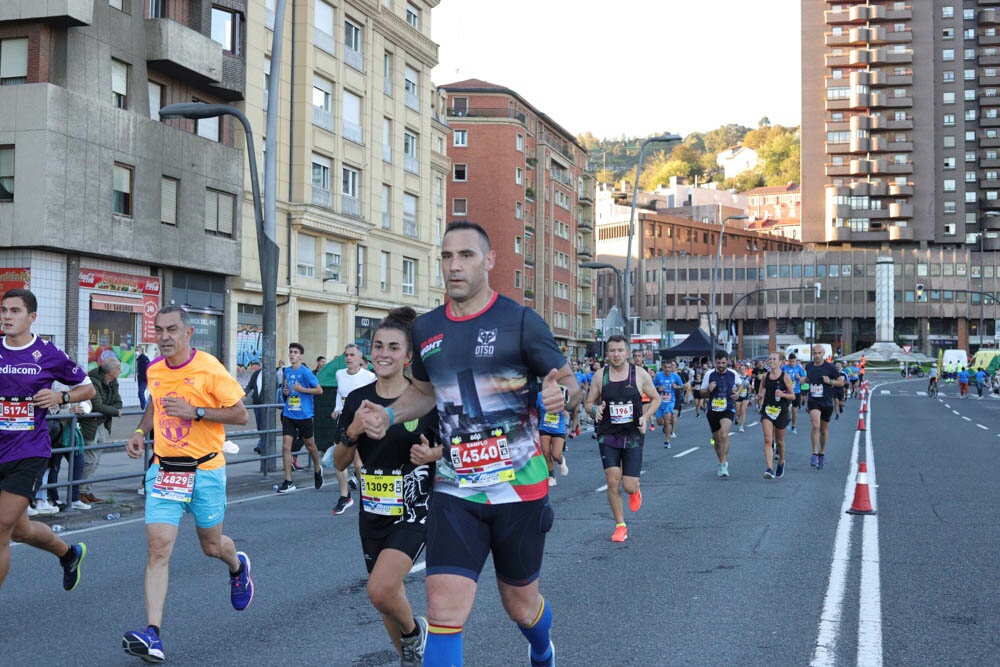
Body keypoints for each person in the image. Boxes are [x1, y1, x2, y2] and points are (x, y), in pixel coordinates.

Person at [357, 222, 580, 667]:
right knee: (442, 609)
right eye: (446, 257)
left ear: (489, 261)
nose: (454, 266)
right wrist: (387, 413)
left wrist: (562, 395)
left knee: (519, 604)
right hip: (456, 489)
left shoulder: (519, 321)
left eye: (466, 256)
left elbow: (571, 384)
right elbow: (423, 392)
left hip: (520, 488)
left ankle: (541, 647)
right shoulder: (426, 328)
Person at [122, 306, 253, 663]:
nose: (164, 336)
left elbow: (240, 414)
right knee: (158, 549)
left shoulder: (209, 368)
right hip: (165, 471)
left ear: (188, 332)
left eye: (172, 329)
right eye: (159, 329)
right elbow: (155, 403)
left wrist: (195, 412)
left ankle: (237, 567)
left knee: (212, 546)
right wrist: (139, 431)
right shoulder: (154, 369)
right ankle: (153, 635)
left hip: (206, 471)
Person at [334, 308, 440, 667]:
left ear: (408, 357)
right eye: (378, 345)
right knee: (385, 597)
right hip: (373, 511)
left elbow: (455, 445)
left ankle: (414, 632)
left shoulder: (424, 400)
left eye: (394, 347)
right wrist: (354, 431)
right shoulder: (357, 400)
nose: (383, 353)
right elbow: (339, 462)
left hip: (413, 510)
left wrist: (433, 453)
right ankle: (412, 658)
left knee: (379, 589)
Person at [0, 288, 93, 591]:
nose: (7, 316)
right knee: (20, 530)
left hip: (29, 451)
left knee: (1, 528)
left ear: (32, 317)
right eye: (3, 310)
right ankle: (68, 554)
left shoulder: (48, 353)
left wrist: (61, 395)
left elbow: (87, 388)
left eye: (15, 311)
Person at [585, 334, 659, 542]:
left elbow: (656, 398)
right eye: (612, 351)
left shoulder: (640, 374)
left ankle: (634, 490)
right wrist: (594, 409)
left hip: (632, 434)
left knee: (628, 485)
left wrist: (645, 417)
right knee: (612, 479)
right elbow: (588, 402)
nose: (616, 355)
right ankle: (620, 525)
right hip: (607, 433)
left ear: (627, 353)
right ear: (606, 353)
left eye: (620, 351)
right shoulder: (600, 376)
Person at [331, 343, 376, 514]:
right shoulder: (339, 374)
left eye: (352, 355)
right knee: (339, 461)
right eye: (346, 355)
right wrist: (336, 409)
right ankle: (345, 496)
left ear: (360, 358)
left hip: (362, 424)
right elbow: (339, 393)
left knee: (358, 464)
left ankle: (368, 497)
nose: (348, 358)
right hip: (344, 422)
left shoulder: (369, 377)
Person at [275, 343, 325, 493]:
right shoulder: (287, 371)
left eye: (295, 352)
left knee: (310, 445)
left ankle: (317, 468)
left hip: (304, 415)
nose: (292, 355)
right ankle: (288, 481)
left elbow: (319, 390)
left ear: (301, 356)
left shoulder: (306, 372)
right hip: (289, 413)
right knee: (285, 446)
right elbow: (288, 390)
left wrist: (302, 389)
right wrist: (286, 392)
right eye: (290, 352)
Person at [78, 356, 123, 504]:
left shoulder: (113, 382)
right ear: (110, 371)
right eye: (118, 369)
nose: (121, 371)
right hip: (90, 424)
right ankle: (79, 492)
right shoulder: (92, 381)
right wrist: (114, 412)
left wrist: (111, 409)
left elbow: (118, 402)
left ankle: (87, 490)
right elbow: (97, 406)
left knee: (96, 461)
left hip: (102, 424)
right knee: (89, 460)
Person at [699, 350, 742, 478]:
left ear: (727, 361)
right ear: (715, 362)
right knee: (717, 440)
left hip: (728, 407)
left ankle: (723, 464)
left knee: (724, 434)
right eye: (718, 363)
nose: (721, 365)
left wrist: (738, 393)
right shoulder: (709, 374)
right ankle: (722, 461)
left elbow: (740, 384)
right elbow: (701, 392)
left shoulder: (733, 373)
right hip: (713, 409)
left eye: (723, 362)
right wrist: (708, 390)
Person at [804, 344, 845, 471]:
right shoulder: (809, 366)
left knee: (823, 430)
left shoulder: (830, 367)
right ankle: (814, 453)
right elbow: (808, 378)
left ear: (823, 354)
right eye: (814, 353)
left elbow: (841, 382)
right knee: (815, 425)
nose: (816, 356)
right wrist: (803, 380)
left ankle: (821, 453)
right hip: (813, 400)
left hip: (826, 401)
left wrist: (830, 382)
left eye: (819, 353)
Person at [757, 352, 796, 479]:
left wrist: (783, 395)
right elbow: (761, 388)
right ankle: (769, 468)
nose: (771, 361)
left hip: (781, 411)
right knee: (768, 439)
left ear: (780, 362)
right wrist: (759, 396)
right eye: (770, 359)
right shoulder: (765, 376)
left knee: (779, 441)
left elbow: (793, 396)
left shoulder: (785, 377)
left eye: (774, 359)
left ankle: (781, 462)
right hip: (767, 410)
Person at [536, 391, 569, 486]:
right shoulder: (539, 395)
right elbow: (535, 409)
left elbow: (570, 406)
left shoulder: (562, 392)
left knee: (555, 454)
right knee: (546, 453)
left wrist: (567, 411)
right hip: (544, 427)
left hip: (558, 429)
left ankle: (561, 460)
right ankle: (551, 476)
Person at [653, 359, 682, 448]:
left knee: (667, 419)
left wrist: (676, 386)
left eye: (669, 367)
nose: (667, 369)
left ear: (672, 367)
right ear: (662, 367)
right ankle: (666, 426)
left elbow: (683, 386)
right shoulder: (658, 376)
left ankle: (667, 441)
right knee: (660, 422)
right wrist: (658, 389)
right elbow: (652, 387)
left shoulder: (675, 376)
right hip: (660, 402)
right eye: (665, 367)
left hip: (670, 401)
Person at [781, 354, 806, 434]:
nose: (792, 363)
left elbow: (804, 379)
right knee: (787, 409)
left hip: (796, 392)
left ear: (796, 361)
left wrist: (799, 378)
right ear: (788, 361)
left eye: (793, 361)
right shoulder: (785, 367)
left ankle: (794, 426)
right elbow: (780, 376)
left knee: (794, 411)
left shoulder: (799, 368)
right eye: (790, 361)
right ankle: (788, 420)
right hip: (787, 392)